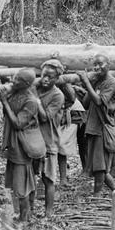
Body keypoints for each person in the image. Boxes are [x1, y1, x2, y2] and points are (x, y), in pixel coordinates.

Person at [77, 55, 115, 199]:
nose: (97, 68)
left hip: (103, 126)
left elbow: (99, 101)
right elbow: (86, 104)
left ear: (108, 64)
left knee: (100, 165)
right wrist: (87, 86)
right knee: (97, 163)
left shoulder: (113, 82)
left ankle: (98, 195)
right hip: (93, 125)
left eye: (100, 64)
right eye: (94, 65)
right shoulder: (97, 81)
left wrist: (86, 81)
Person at [0, 68, 40, 222]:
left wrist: (4, 101)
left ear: (27, 84)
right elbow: (7, 114)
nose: (14, 82)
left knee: (22, 187)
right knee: (16, 185)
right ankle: (23, 215)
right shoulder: (16, 92)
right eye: (14, 79)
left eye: (18, 81)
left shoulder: (30, 101)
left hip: (22, 146)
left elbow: (18, 123)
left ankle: (24, 218)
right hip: (13, 145)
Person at [34, 59, 66, 218]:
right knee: (30, 176)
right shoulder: (35, 87)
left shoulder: (57, 95)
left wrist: (36, 100)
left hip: (48, 141)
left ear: (57, 79)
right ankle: (28, 210)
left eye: (50, 77)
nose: (46, 79)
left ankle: (49, 212)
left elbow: (46, 117)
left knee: (48, 178)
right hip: (32, 141)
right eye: (44, 75)